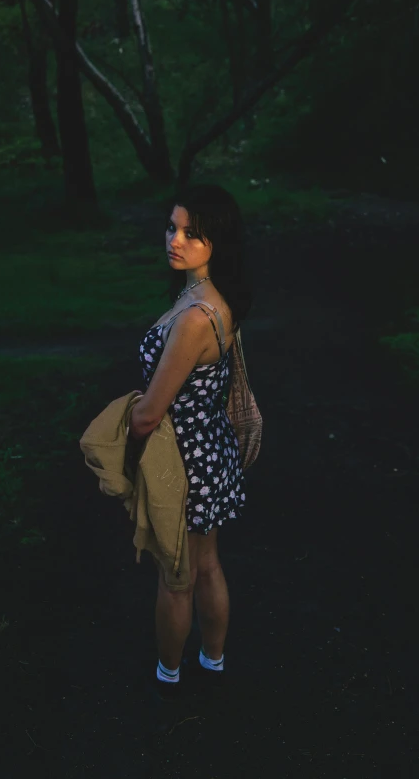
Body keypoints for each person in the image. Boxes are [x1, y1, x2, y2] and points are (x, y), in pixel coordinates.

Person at [129, 183, 253, 696]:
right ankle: (214, 660)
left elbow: (148, 416)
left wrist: (121, 421)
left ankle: (168, 675)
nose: (174, 240)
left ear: (215, 242)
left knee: (175, 576)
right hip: (213, 451)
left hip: (182, 462)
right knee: (206, 565)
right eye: (172, 227)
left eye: (191, 233)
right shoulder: (217, 300)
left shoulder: (193, 319)